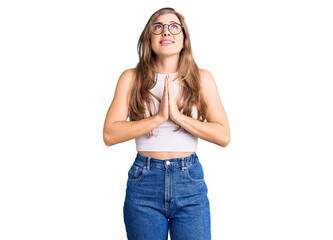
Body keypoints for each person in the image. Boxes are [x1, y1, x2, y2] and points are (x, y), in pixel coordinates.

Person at [103, 7, 230, 240]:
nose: (166, 32)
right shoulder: (131, 78)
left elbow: (223, 136)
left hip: (189, 180)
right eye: (158, 27)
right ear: (148, 38)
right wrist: (159, 118)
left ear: (184, 40)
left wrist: (179, 118)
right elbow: (110, 134)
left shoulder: (202, 79)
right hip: (145, 181)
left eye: (174, 27)